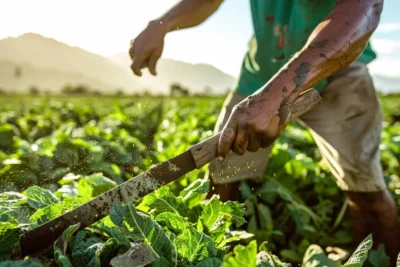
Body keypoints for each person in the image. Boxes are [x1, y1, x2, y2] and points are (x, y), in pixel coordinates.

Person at [129, 0, 399, 264]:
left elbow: (363, 8)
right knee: (223, 171)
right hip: (262, 70)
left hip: (337, 66)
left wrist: (279, 92)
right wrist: (161, 24)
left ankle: (383, 257)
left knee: (364, 183)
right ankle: (214, 255)